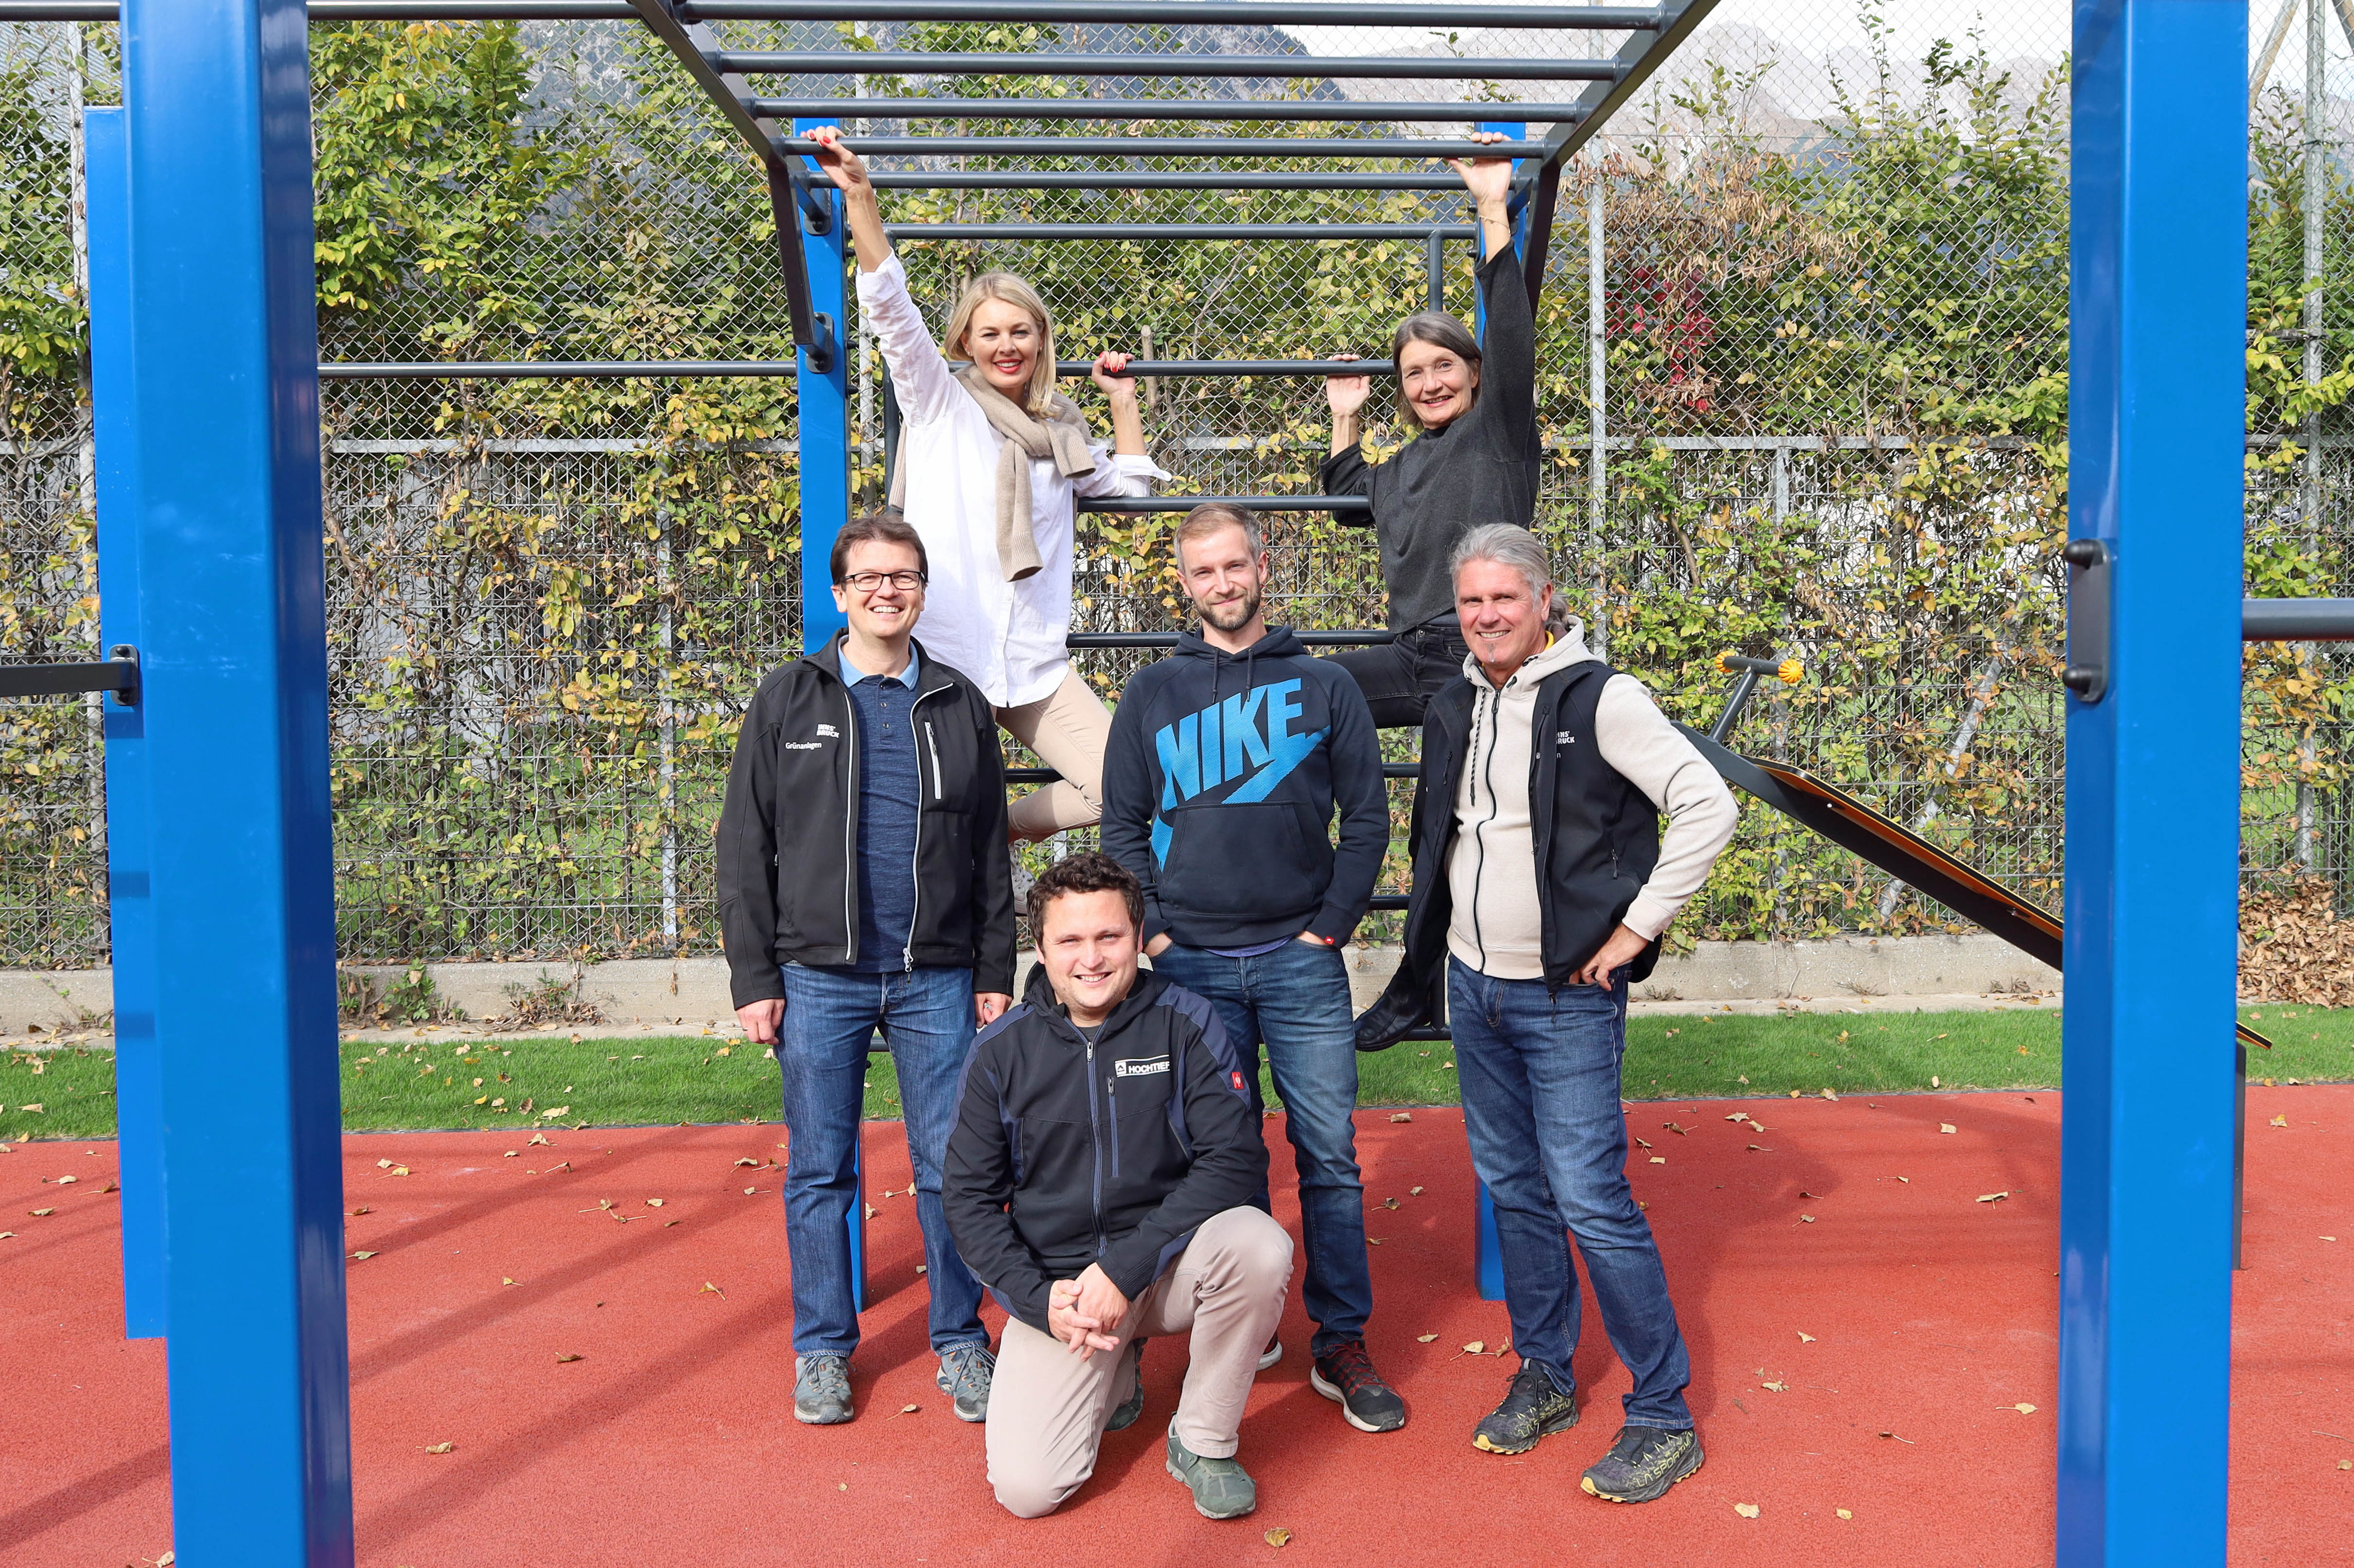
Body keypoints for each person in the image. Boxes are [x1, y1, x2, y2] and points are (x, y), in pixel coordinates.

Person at [1359, 523, 1739, 1502]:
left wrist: (1635, 928)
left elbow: (1707, 804)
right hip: (1475, 985)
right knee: (1513, 1188)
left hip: (1567, 995)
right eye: (1472, 602)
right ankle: (1546, 1372)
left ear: (1542, 600)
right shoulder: (1456, 703)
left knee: (1588, 1199)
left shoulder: (1601, 698)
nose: (1486, 617)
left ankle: (1661, 1412)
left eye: (1504, 600)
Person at [1097, 502, 1403, 1433]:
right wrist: (1152, 940)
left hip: (1297, 961)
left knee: (1329, 1156)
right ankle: (1244, 1314)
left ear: (1261, 566)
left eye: (1235, 566)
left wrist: (1329, 927)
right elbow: (1119, 828)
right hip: (1187, 960)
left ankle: (1340, 1339)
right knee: (1213, 1155)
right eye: (1203, 572)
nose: (1222, 585)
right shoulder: (1152, 692)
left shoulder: (1323, 687)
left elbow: (1368, 817)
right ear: (1182, 582)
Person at [717, 510, 1015, 1429]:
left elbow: (990, 851)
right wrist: (754, 978)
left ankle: (961, 1339)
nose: (889, 590)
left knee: (948, 1167)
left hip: (935, 975)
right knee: (818, 1171)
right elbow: (744, 845)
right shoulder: (787, 698)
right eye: (871, 578)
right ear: (840, 593)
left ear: (921, 590)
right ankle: (822, 1350)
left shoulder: (959, 703)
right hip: (818, 976)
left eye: (905, 576)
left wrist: (992, 964)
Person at [802, 125, 1169, 842]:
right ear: (964, 342)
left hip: (1031, 662)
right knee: (907, 817)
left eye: (1021, 331)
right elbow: (891, 313)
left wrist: (1121, 403)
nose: (1007, 346)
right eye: (990, 332)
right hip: (944, 658)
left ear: (1041, 340)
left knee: (1128, 783)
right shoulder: (939, 403)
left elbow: (1132, 491)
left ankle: (994, 830)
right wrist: (861, 197)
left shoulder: (1058, 432)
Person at [944, 852, 1293, 1522]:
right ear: (1040, 948)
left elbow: (1236, 1158)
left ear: (1137, 936)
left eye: (1108, 936)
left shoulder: (1184, 1020)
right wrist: (1040, 1297)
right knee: (1026, 1489)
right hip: (1065, 1288)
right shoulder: (999, 1051)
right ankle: (1118, 1367)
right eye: (1070, 940)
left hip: (1162, 1266)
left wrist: (1128, 1264)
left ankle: (1203, 1439)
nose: (1091, 958)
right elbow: (968, 1199)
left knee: (1259, 1244)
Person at [1320, 131, 1538, 730]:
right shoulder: (1402, 466)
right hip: (1404, 654)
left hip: (1476, 650)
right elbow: (1345, 502)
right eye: (1413, 373)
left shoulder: (1497, 429)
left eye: (1444, 366)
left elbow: (1513, 338)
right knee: (1299, 695)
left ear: (1474, 372)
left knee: (1448, 795)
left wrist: (1490, 207)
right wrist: (1345, 416)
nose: (1430, 384)